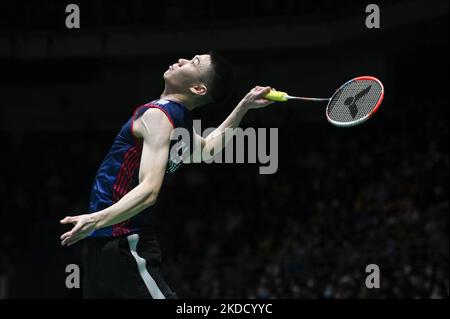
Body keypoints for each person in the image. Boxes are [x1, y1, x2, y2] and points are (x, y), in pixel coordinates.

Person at [59, 51, 274, 298]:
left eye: (193, 63)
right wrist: (243, 106)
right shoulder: (170, 117)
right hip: (109, 242)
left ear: (198, 89)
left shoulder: (164, 117)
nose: (182, 60)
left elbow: (152, 189)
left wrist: (243, 106)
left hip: (120, 242)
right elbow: (207, 150)